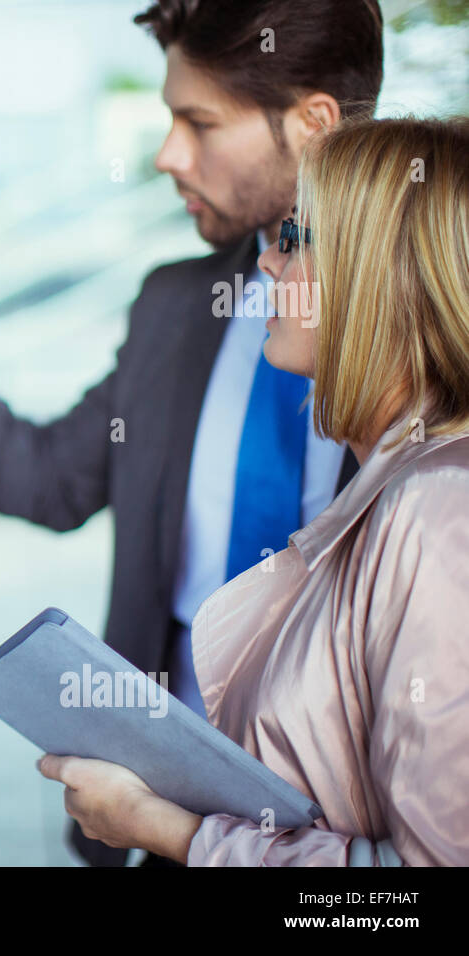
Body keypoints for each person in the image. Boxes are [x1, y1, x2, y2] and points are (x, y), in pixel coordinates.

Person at [0, 0, 384, 865]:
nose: (168, 153)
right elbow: (52, 479)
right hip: (157, 812)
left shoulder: (431, 345)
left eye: (199, 122)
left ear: (312, 126)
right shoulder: (174, 308)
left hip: (355, 841)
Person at [39, 115, 469, 866]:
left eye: (298, 240)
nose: (268, 264)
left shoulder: (436, 513)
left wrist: (166, 829)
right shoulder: (394, 481)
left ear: (381, 279)